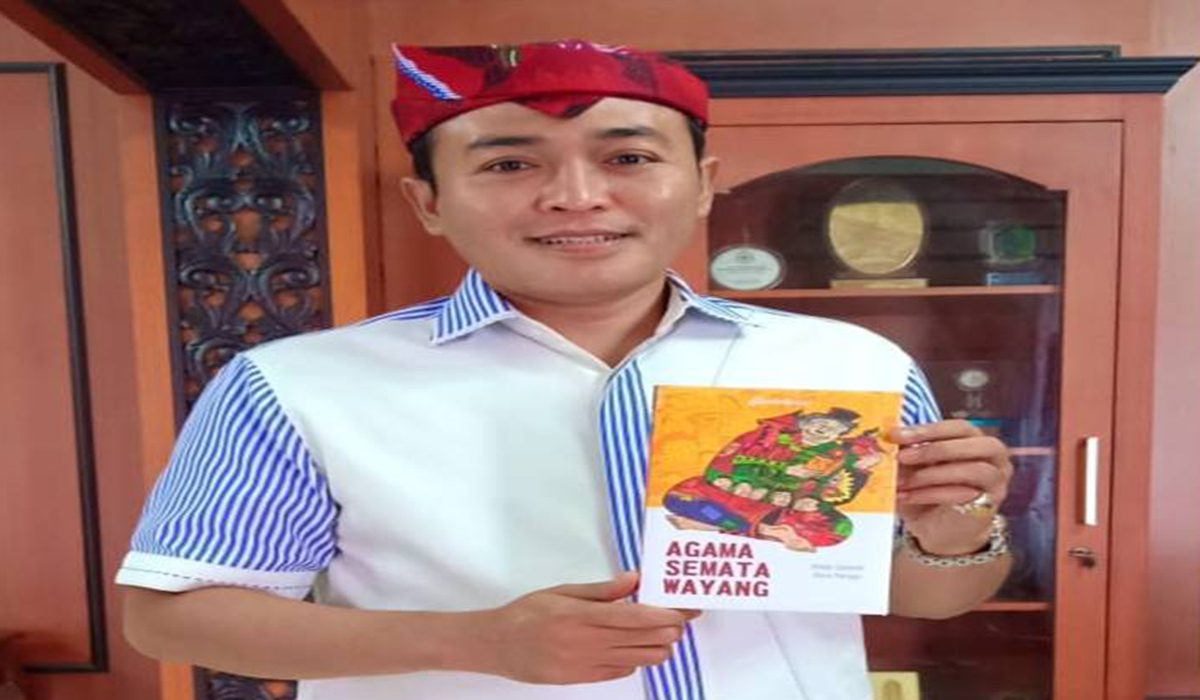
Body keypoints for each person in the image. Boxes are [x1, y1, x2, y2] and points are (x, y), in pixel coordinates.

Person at [118, 41, 1014, 700]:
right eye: (510, 163)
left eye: (629, 158)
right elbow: (170, 615)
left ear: (703, 184)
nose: (577, 196)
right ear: (428, 202)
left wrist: (955, 529)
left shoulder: (846, 365)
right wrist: (480, 642)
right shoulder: (296, 386)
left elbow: (927, 597)